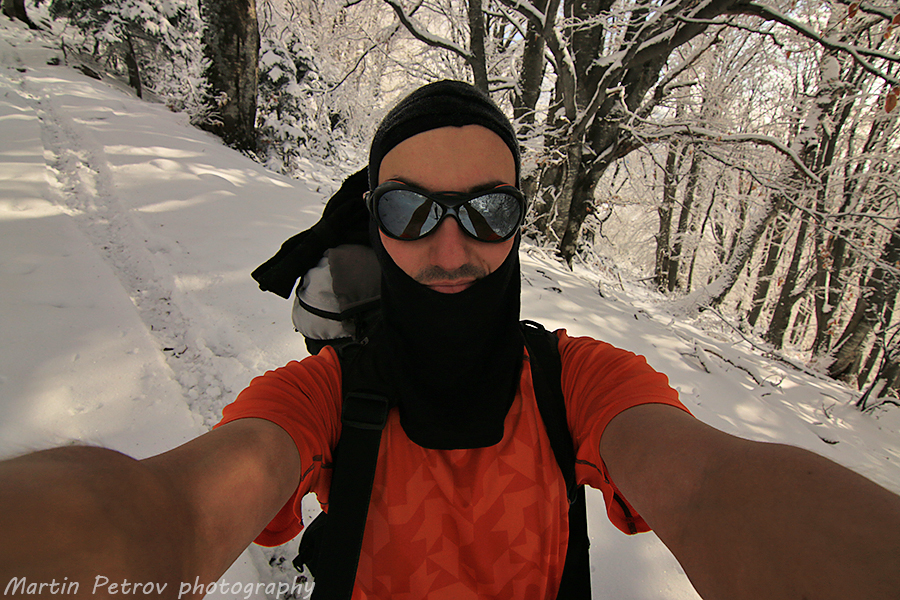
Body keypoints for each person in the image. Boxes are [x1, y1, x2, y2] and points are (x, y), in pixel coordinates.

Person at [1, 80, 900, 600]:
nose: (448, 247)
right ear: (372, 221)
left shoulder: (580, 384)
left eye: (488, 210)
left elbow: (709, 486)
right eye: (409, 209)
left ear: (519, 222)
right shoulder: (324, 396)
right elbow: (175, 509)